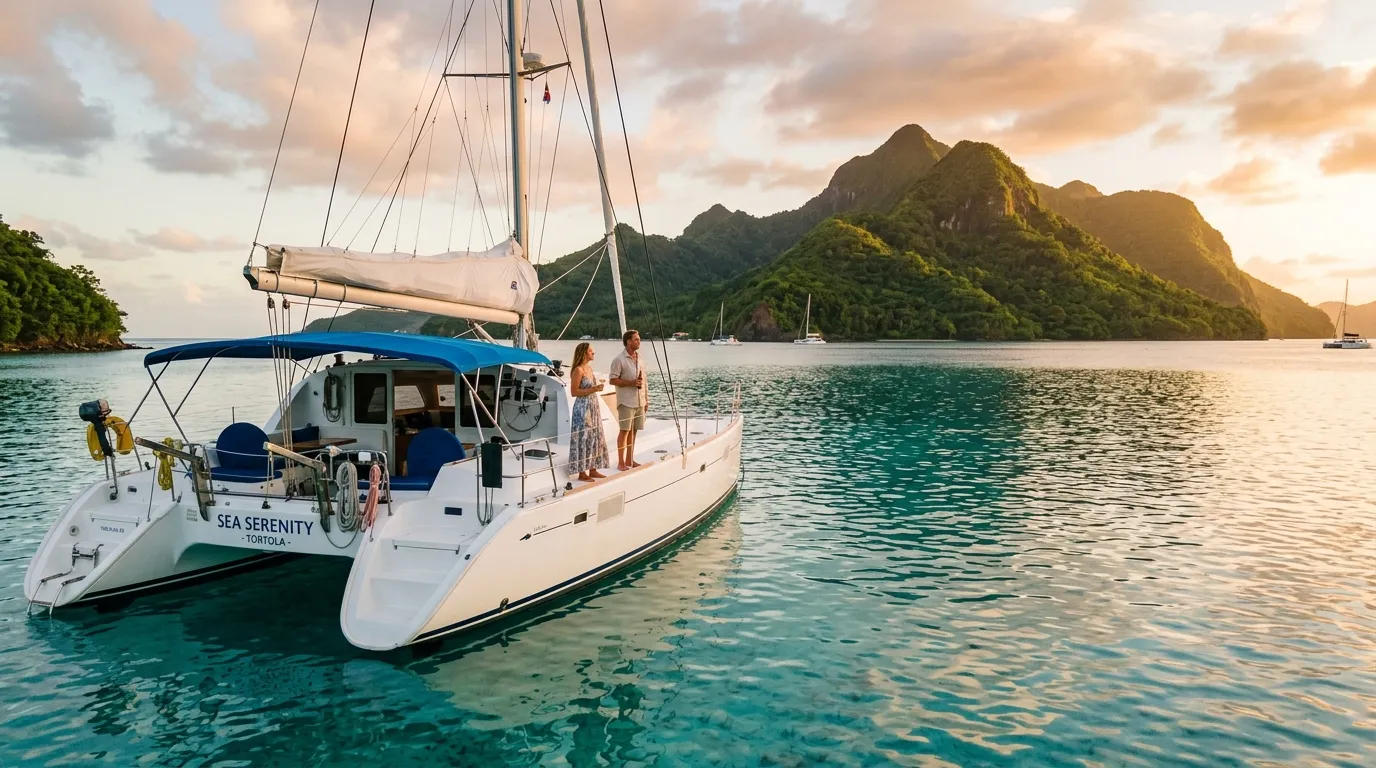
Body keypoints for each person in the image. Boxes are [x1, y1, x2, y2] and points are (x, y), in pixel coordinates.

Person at [567, 342, 608, 482]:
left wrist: (596, 388)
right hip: (582, 407)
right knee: (583, 437)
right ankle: (582, 472)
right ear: (584, 353)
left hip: (593, 406)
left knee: (595, 436)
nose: (593, 352)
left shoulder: (589, 369)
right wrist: (593, 389)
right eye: (591, 351)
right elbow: (574, 392)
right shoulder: (578, 370)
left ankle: (593, 469)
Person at [608, 329, 647, 471]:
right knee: (624, 431)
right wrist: (631, 383)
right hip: (626, 401)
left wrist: (646, 400)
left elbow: (644, 381)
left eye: (639, 339)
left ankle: (629, 460)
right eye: (636, 339)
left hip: (639, 401)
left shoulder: (640, 358)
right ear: (628, 341)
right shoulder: (619, 360)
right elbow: (612, 380)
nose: (639, 341)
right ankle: (621, 462)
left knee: (634, 431)